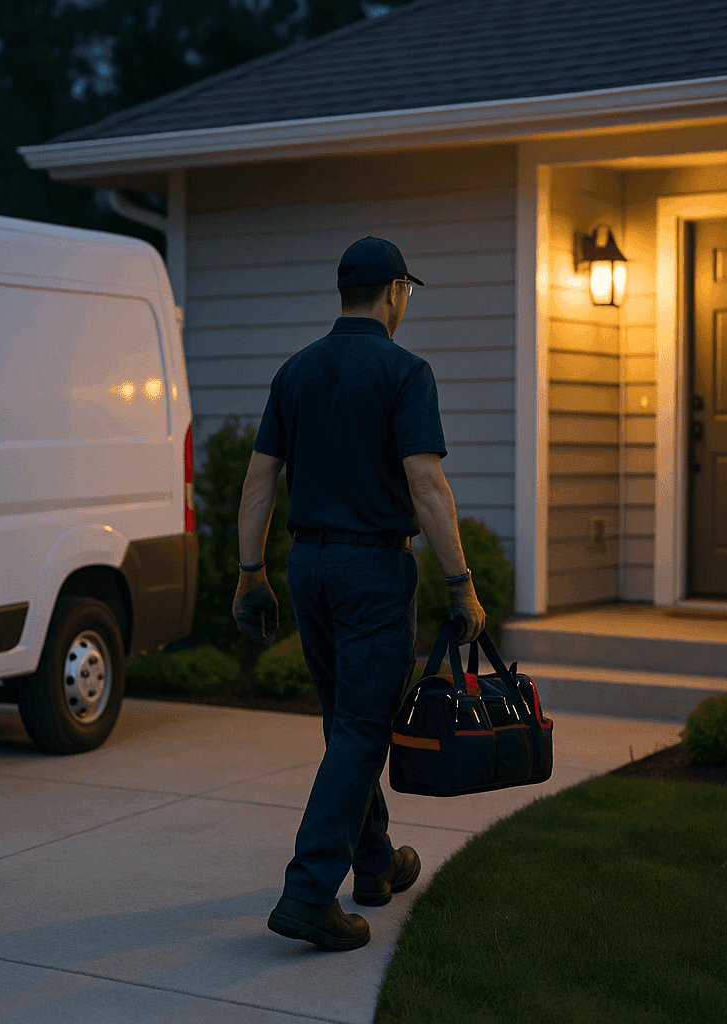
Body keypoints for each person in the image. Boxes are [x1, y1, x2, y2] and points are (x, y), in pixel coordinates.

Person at [231, 236, 486, 952]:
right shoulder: (406, 372)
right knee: (361, 727)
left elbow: (258, 483)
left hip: (306, 568)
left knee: (348, 720)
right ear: (396, 291)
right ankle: (310, 891)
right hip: (373, 573)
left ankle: (373, 863)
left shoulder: (296, 371)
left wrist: (250, 574)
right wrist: (460, 585)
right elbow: (427, 483)